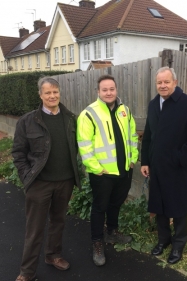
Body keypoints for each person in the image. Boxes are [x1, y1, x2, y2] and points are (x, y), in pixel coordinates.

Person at [12, 77, 80, 281]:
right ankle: (27, 272)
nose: (52, 96)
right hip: (39, 183)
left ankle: (53, 255)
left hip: (65, 181)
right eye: (48, 93)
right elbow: (18, 153)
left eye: (55, 92)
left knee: (58, 222)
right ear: (40, 95)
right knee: (35, 229)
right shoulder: (28, 121)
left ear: (59, 93)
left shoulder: (70, 118)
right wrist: (27, 176)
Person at [140, 67, 187, 264]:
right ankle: (163, 239)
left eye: (166, 82)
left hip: (178, 167)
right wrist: (145, 161)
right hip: (157, 166)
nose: (162, 86)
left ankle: (178, 243)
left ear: (175, 83)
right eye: (159, 82)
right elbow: (148, 136)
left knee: (177, 205)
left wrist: (180, 159)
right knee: (159, 204)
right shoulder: (153, 105)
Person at [76, 74, 139, 266]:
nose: (109, 92)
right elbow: (84, 145)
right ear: (98, 92)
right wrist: (95, 168)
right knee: (99, 208)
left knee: (116, 204)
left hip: (124, 170)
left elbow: (132, 136)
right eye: (105, 89)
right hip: (102, 173)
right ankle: (97, 243)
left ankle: (112, 233)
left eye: (112, 89)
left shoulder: (125, 111)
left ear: (116, 90)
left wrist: (133, 158)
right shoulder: (89, 114)